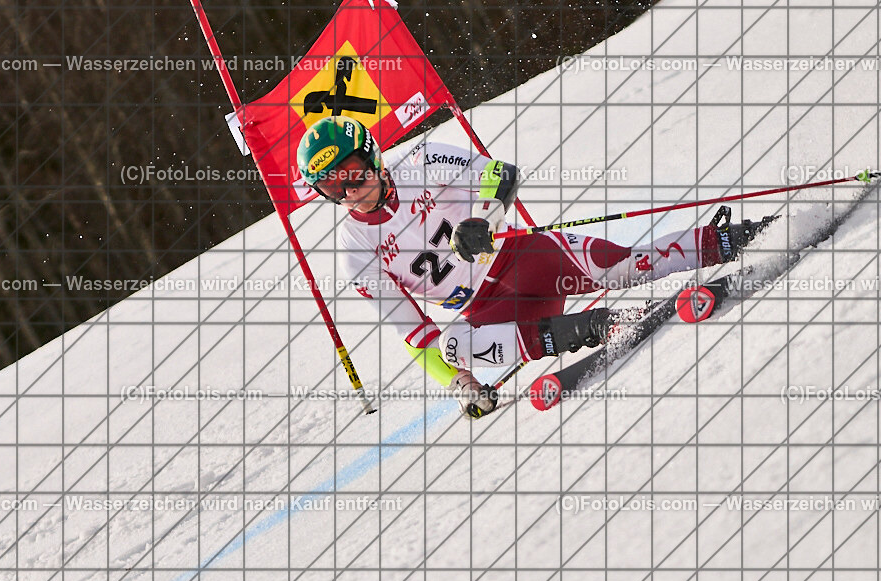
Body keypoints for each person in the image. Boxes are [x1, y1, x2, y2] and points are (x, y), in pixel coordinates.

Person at [297, 116, 771, 418]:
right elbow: (416, 335)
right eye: (332, 187)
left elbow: (500, 173)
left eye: (353, 173)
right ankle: (595, 327)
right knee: (452, 347)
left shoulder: (421, 159)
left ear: (373, 157)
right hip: (494, 311)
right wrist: (462, 384)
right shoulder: (356, 253)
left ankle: (734, 238)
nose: (350, 190)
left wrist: (482, 218)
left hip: (526, 259)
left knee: (625, 266)